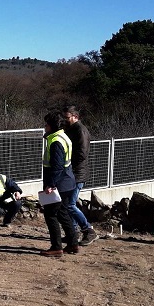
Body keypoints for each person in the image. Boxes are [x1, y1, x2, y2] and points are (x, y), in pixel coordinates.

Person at [39, 111, 79, 257]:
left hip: (59, 184)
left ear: (51, 126)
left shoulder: (55, 141)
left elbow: (57, 166)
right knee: (63, 213)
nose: (44, 126)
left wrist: (50, 185)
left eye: (46, 124)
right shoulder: (64, 137)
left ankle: (56, 247)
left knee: (51, 215)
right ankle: (73, 243)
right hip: (68, 182)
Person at [63, 106, 99, 246]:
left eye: (67, 118)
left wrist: (68, 163)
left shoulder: (80, 131)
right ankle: (74, 232)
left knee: (70, 204)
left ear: (75, 117)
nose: (65, 120)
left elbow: (82, 154)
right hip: (74, 172)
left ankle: (89, 230)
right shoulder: (72, 130)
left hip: (77, 173)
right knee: (68, 204)